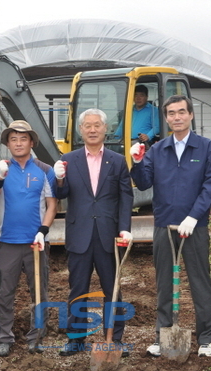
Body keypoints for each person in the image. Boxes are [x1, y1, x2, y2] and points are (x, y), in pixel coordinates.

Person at [130, 95, 211, 357]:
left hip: (195, 227)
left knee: (200, 282)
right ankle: (163, 334)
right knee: (165, 283)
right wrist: (136, 162)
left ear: (191, 115)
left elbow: (210, 184)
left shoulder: (205, 147)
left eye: (182, 112)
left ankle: (207, 338)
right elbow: (144, 183)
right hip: (164, 226)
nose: (177, 117)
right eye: (171, 113)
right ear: (166, 118)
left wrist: (193, 217)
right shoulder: (158, 150)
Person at [53, 108, 133, 357]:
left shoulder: (117, 160)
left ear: (105, 129)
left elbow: (125, 197)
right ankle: (76, 340)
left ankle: (115, 340)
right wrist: (59, 180)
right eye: (87, 125)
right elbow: (61, 195)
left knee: (113, 289)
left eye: (97, 125)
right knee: (78, 290)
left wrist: (124, 228)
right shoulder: (69, 159)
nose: (92, 129)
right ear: (80, 130)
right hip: (80, 234)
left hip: (109, 235)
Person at [0, 120, 57, 357]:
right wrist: (0, 177)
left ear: (32, 142)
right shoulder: (0, 168)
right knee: (5, 292)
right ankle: (4, 337)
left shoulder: (45, 170)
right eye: (13, 139)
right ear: (8, 143)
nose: (18, 143)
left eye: (23, 138)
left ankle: (36, 336)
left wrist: (43, 230)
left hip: (35, 242)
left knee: (39, 291)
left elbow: (52, 205)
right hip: (7, 240)